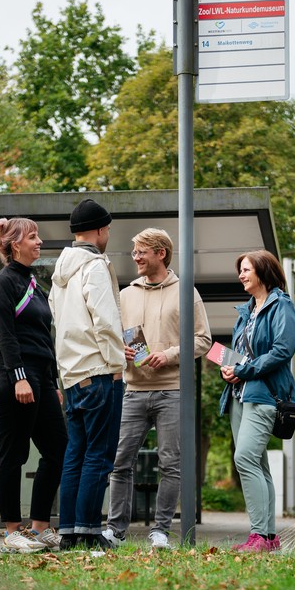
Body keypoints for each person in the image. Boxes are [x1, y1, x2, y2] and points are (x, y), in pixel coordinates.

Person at [102, 228, 212, 549]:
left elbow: (203, 340)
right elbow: (113, 335)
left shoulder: (186, 292)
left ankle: (161, 531)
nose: (135, 256)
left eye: (141, 251)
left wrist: (169, 354)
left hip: (172, 391)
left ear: (160, 253)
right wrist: (119, 351)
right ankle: (115, 532)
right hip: (133, 391)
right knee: (121, 461)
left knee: (170, 464)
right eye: (134, 251)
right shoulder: (125, 295)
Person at [0, 217, 68, 553]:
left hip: (41, 378)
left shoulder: (33, 284)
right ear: (14, 244)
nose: (40, 243)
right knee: (14, 454)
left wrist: (52, 382)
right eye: (33, 237)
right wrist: (19, 377)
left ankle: (39, 528)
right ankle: (11, 532)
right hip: (12, 376)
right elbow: (4, 334)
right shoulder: (2, 284)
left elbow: (43, 338)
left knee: (58, 450)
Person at [49, 199, 125, 551]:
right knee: (99, 454)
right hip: (98, 371)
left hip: (72, 374)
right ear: (97, 230)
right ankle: (91, 531)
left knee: (75, 453)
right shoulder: (94, 266)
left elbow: (57, 321)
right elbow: (106, 320)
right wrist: (116, 365)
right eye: (107, 229)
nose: (108, 234)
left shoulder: (59, 272)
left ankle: (68, 530)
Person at [219, 250, 295, 553]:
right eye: (240, 270)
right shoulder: (247, 312)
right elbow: (241, 352)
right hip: (239, 396)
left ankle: (258, 535)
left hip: (264, 395)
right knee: (258, 463)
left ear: (263, 272)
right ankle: (268, 537)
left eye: (246, 270)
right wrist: (228, 365)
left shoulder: (282, 306)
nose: (241, 275)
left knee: (244, 458)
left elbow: (282, 350)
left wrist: (243, 370)